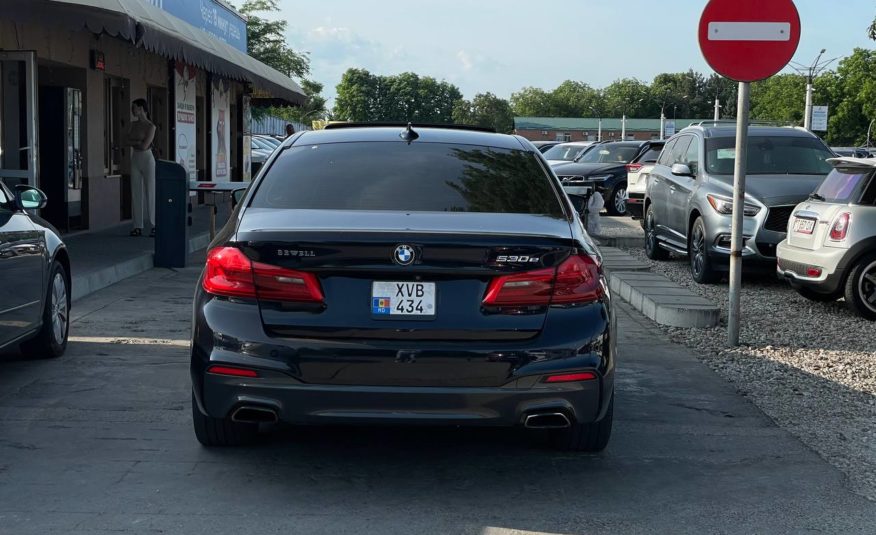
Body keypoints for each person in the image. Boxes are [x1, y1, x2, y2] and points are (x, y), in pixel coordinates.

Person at [126, 99, 156, 237]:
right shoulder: (132, 125)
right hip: (135, 158)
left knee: (151, 191)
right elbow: (126, 140)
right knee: (136, 192)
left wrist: (135, 142)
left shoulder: (151, 126)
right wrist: (138, 142)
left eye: (134, 107)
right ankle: (137, 226)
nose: (132, 110)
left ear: (141, 109)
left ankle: (154, 224)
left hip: (147, 158)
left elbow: (145, 146)